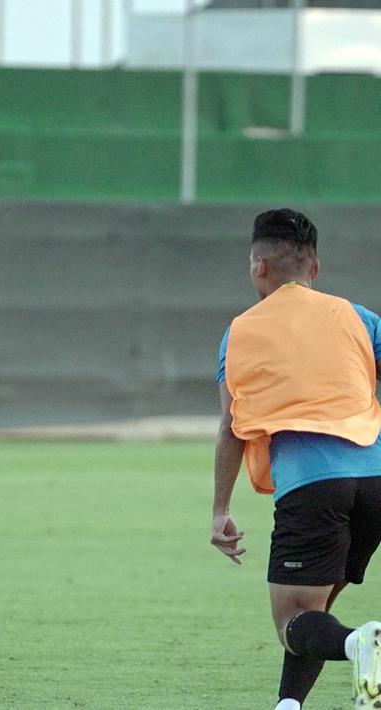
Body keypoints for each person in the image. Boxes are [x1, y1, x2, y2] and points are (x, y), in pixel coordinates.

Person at [212, 208, 381, 710]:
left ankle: (363, 644)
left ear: (259, 266)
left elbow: (231, 427)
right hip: (376, 479)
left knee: (293, 620)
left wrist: (220, 509)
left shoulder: (241, 332)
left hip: (313, 485)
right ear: (315, 268)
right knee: (314, 607)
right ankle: (289, 705)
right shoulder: (358, 317)